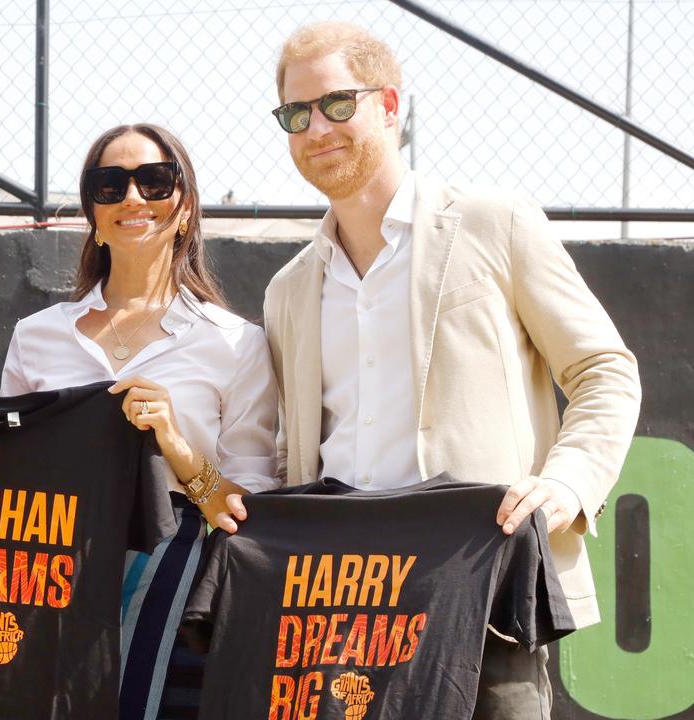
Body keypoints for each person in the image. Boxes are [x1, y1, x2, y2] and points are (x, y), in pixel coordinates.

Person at [262, 22, 641, 718]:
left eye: (338, 103)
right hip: (340, 614)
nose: (318, 127)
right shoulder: (287, 290)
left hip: (485, 597)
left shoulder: (494, 222)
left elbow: (604, 371)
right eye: (297, 114)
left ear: (389, 104)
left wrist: (566, 482)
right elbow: (296, 447)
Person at [0, 123, 278, 720]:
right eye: (110, 185)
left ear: (184, 206)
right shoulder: (39, 336)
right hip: (48, 575)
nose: (133, 198)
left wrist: (177, 447)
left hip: (172, 584)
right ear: (92, 211)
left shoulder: (235, 344)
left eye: (154, 181)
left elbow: (247, 514)